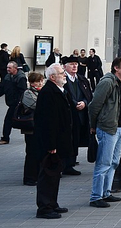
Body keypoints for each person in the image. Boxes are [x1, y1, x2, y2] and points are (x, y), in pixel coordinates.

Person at [88, 57, 121, 208]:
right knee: (103, 163)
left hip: (120, 128)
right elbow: (94, 106)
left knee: (114, 162)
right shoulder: (107, 82)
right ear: (116, 68)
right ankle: (96, 196)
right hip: (108, 127)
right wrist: (93, 125)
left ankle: (106, 192)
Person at [33, 63, 73, 219]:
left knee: (55, 174)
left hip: (59, 141)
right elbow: (46, 122)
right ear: (52, 77)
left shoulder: (59, 90)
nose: (64, 75)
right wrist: (51, 145)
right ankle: (44, 207)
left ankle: (52, 203)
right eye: (62, 73)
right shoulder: (48, 93)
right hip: (50, 144)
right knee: (47, 175)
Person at [62, 56, 92, 175]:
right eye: (71, 64)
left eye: (76, 64)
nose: (74, 66)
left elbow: (89, 94)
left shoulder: (82, 79)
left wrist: (84, 103)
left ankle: (71, 162)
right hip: (68, 114)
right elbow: (63, 94)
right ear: (65, 66)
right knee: (68, 138)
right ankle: (66, 164)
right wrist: (74, 104)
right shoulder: (63, 79)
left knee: (76, 138)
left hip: (81, 114)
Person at [0, 61, 27, 145]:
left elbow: (22, 91)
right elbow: (2, 89)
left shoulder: (21, 77)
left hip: (17, 104)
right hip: (11, 103)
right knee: (21, 121)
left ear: (15, 68)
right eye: (7, 67)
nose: (7, 69)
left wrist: (19, 103)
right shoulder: (7, 77)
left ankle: (5, 138)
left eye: (10, 68)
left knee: (9, 121)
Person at [21, 72, 44, 186]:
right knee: (32, 153)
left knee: (40, 152)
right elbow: (36, 105)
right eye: (37, 81)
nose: (40, 83)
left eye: (41, 81)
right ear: (31, 83)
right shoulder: (28, 93)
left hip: (40, 127)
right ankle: (29, 177)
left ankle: (38, 175)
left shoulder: (42, 92)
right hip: (31, 127)